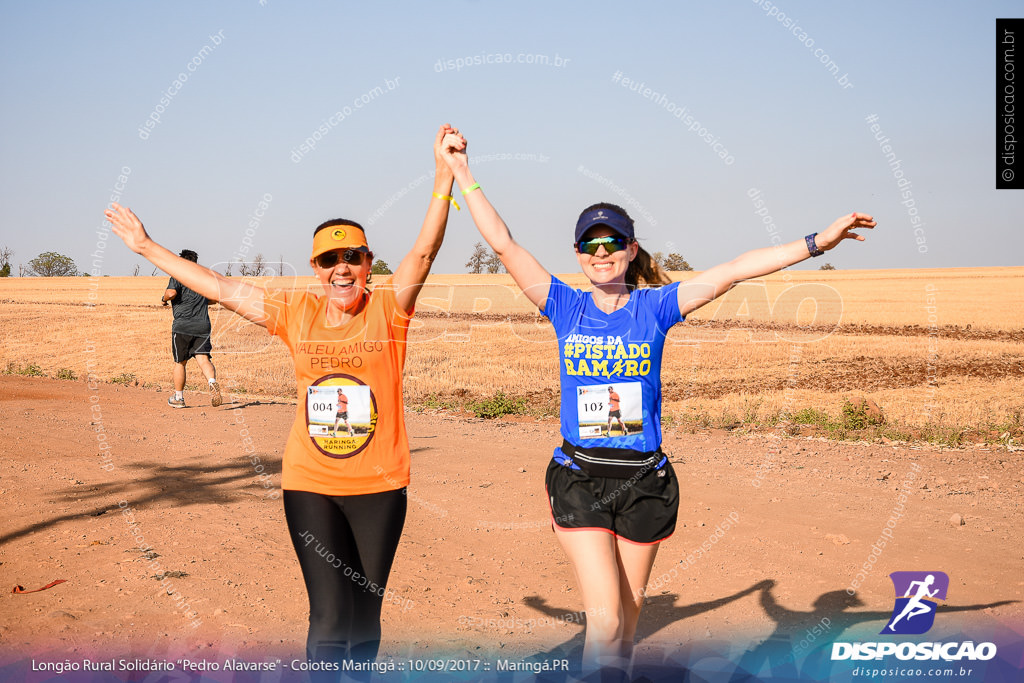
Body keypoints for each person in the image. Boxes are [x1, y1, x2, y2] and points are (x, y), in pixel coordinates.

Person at [438, 128, 875, 677]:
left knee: (627, 620)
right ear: (577, 254)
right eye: (591, 245)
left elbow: (736, 270)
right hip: (581, 478)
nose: (602, 253)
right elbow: (503, 243)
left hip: (644, 481)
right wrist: (461, 172)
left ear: (630, 250)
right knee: (604, 624)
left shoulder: (656, 308)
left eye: (612, 243)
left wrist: (818, 243)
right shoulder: (564, 306)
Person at [106, 124, 463, 671]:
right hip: (308, 484)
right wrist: (146, 247)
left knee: (365, 615)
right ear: (315, 268)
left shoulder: (390, 310)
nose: (340, 267)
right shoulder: (295, 312)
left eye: (353, 256)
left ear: (369, 263)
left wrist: (443, 176)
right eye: (328, 259)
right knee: (327, 615)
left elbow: (425, 250)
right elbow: (220, 287)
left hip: (380, 486)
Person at [161, 249, 222, 408]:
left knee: (180, 362)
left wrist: (164, 299)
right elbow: (213, 299)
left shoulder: (178, 275)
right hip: (203, 326)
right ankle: (212, 382)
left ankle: (178, 398)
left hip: (183, 326)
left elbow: (171, 292)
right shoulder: (202, 278)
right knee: (203, 359)